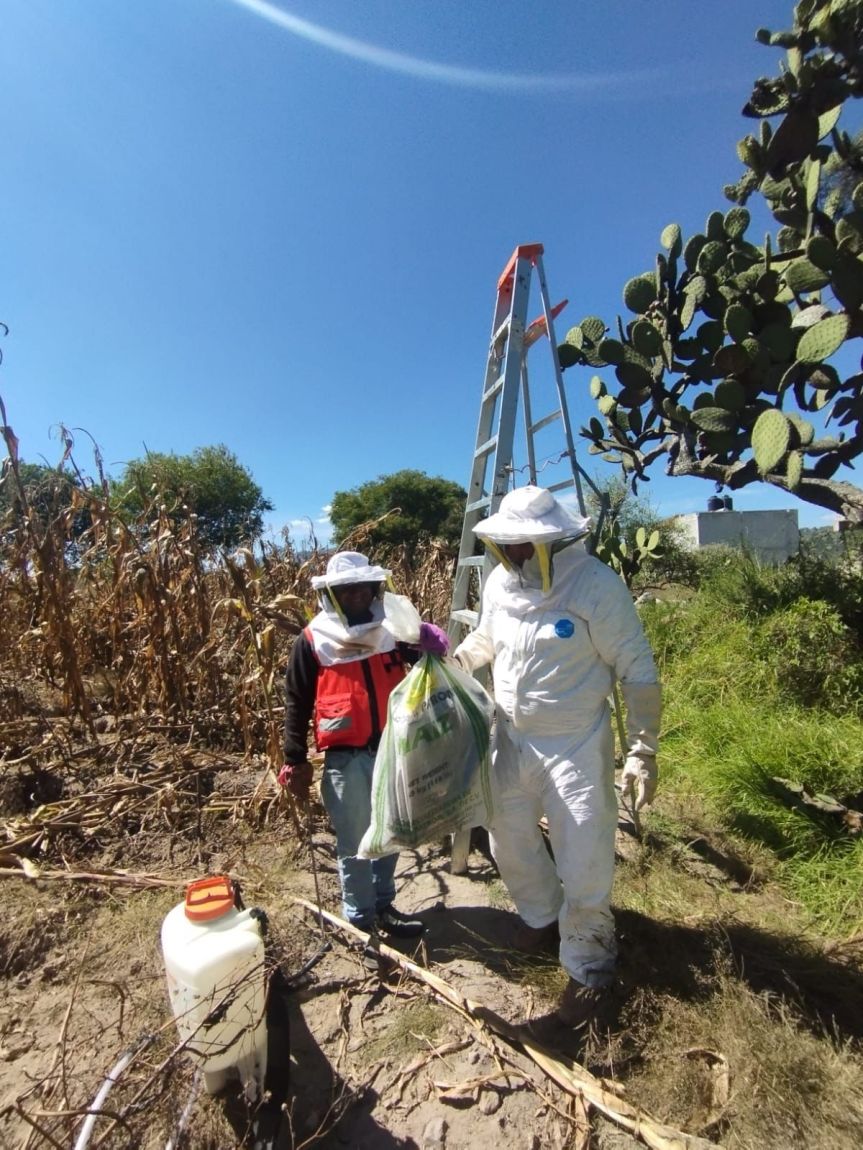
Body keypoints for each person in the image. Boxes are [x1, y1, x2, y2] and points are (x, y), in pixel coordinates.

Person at [452, 485, 661, 1032]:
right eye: (510, 544)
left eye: (525, 544)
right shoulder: (500, 581)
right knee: (508, 837)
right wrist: (457, 660)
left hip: (573, 743)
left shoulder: (595, 585)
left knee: (584, 851)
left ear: (553, 540)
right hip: (511, 737)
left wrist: (642, 749)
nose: (516, 554)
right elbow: (486, 638)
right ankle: (541, 918)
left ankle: (589, 967)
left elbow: (637, 667)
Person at [280, 550, 449, 946]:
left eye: (363, 586)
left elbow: (427, 658)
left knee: (390, 831)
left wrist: (429, 639)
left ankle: (384, 904)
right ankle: (360, 917)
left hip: (393, 749)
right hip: (345, 757)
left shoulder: (389, 631)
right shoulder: (313, 639)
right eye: (347, 588)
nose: (357, 593)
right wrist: (294, 758)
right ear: (333, 594)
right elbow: (297, 700)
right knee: (355, 839)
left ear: (375, 588)